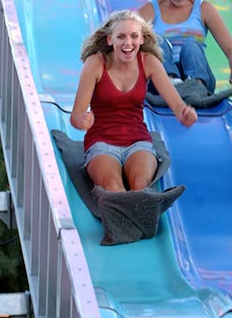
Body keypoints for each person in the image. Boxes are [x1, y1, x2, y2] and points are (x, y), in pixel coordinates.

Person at [70, 10, 198, 193]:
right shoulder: (96, 63)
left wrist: (185, 113)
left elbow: (177, 105)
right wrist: (81, 120)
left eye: (134, 36)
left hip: (137, 142)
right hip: (101, 142)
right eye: (121, 37)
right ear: (110, 40)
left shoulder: (149, 62)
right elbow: (76, 114)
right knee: (114, 188)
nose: (128, 43)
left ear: (141, 40)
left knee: (140, 186)